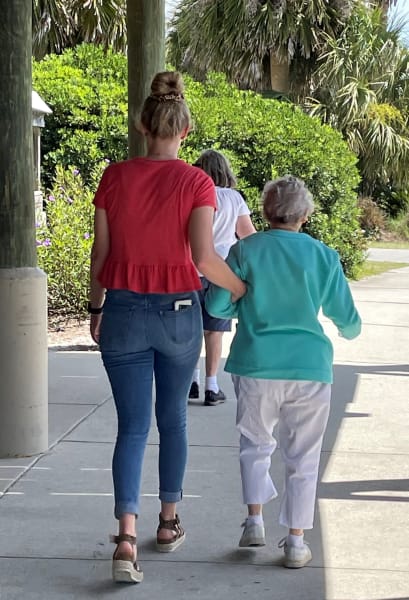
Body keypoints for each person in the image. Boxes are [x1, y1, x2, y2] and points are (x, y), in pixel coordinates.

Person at [88, 71, 246, 584]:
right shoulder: (198, 181)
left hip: (124, 312)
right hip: (179, 313)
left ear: (143, 125)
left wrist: (96, 307)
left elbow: (102, 252)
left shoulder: (115, 177)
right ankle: (168, 522)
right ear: (185, 130)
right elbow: (203, 258)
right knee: (173, 419)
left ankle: (126, 540)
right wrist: (241, 288)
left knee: (131, 427)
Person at [205, 175, 361, 568]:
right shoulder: (323, 255)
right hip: (310, 367)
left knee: (255, 444)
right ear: (305, 214)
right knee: (303, 456)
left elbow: (218, 305)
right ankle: (295, 541)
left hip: (256, 364)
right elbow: (348, 320)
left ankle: (254, 520)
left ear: (264, 212)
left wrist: (242, 303)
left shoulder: (245, 250)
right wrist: (345, 328)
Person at [188, 150, 256, 406]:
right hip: (222, 271)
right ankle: (212, 385)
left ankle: (191, 381)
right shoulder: (234, 198)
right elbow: (248, 235)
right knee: (214, 332)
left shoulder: (193, 194)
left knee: (192, 329)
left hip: (192, 269)